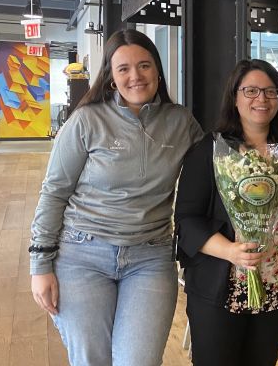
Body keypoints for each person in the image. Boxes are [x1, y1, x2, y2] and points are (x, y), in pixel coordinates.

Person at [29, 29, 204, 366]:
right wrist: (40, 266)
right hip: (82, 255)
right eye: (123, 68)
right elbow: (54, 192)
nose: (135, 76)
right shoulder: (86, 121)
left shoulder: (181, 122)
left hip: (150, 258)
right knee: (91, 360)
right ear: (111, 76)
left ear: (157, 70)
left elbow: (213, 172)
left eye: (144, 66)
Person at [174, 59, 278, 365]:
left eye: (270, 91)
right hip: (219, 287)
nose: (261, 99)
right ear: (235, 97)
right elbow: (186, 221)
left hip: (277, 287)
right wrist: (230, 251)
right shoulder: (210, 151)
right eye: (251, 90)